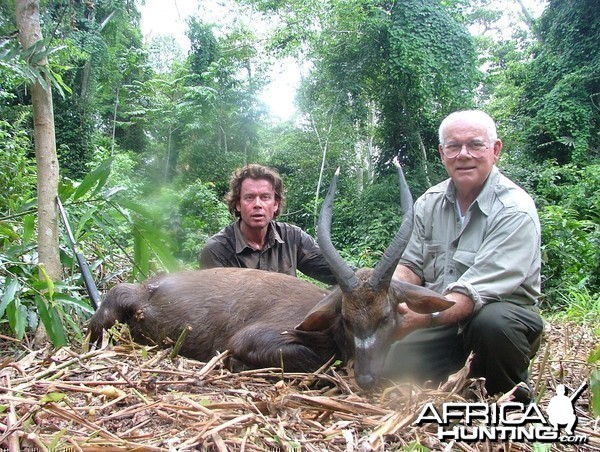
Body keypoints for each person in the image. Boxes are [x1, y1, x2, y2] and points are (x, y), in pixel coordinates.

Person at [387, 110, 544, 399]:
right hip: (444, 323)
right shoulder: (428, 203)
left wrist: (421, 318)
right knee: (389, 369)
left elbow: (473, 293)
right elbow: (410, 264)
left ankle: (511, 394)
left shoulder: (514, 209)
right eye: (453, 146)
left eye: (475, 144)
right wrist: (393, 295)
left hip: (496, 318)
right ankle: (463, 373)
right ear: (442, 153)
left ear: (495, 150)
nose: (463, 154)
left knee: (493, 325)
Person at [199, 164, 337, 285]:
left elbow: (334, 271)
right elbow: (215, 308)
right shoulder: (217, 250)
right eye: (249, 197)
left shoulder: (293, 237)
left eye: (265, 197)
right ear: (238, 204)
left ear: (275, 204)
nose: (258, 205)